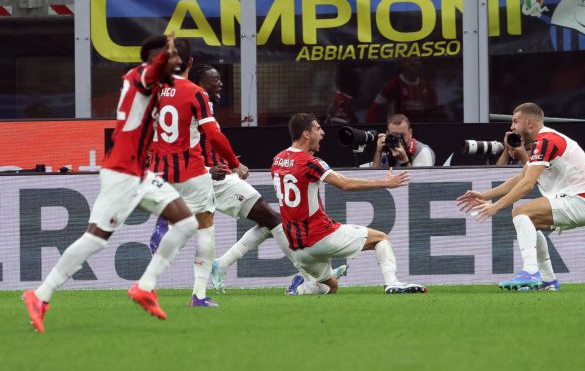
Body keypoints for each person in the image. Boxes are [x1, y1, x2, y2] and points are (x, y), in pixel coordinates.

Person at [21, 33, 200, 333]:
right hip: (122, 173)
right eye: (174, 61)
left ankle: (145, 286)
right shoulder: (143, 75)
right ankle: (40, 295)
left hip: (140, 174)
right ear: (160, 59)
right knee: (95, 239)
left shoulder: (152, 82)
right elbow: (153, 71)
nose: (179, 67)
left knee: (186, 223)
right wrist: (164, 57)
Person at [150, 65, 348, 294]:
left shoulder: (189, 103)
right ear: (201, 84)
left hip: (209, 176)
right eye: (215, 79)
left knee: (269, 220)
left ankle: (218, 264)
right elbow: (184, 145)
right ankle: (309, 277)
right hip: (209, 178)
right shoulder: (196, 101)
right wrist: (218, 166)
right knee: (273, 221)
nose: (220, 83)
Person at [272, 113, 427, 295]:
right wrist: (386, 183)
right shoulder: (311, 162)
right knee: (381, 238)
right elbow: (345, 184)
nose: (322, 133)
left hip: (298, 249)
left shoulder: (278, 159)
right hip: (319, 236)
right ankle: (392, 283)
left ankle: (298, 290)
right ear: (306, 134)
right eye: (317, 129)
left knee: (332, 287)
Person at [456, 102, 585, 291]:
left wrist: (496, 206)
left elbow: (527, 185)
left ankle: (531, 272)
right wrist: (485, 195)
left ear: (530, 123)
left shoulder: (546, 141)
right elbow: (521, 177)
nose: (512, 127)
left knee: (521, 212)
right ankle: (548, 281)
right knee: (528, 221)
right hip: (580, 200)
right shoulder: (544, 141)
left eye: (515, 121)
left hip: (580, 200)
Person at [148, 44, 248, 307]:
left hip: (160, 171)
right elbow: (213, 135)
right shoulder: (196, 93)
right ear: (190, 62)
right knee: (206, 227)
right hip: (191, 170)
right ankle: (199, 295)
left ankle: (164, 225)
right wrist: (235, 162)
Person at [366, 60, 443, 124]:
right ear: (403, 63)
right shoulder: (393, 85)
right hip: (397, 131)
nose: (413, 62)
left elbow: (436, 111)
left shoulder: (427, 87)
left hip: (421, 130)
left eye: (416, 60)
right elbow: (375, 108)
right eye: (409, 60)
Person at [371, 114, 435, 168]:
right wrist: (378, 152)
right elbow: (373, 176)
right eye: (394, 135)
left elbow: (419, 181)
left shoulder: (422, 151)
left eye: (402, 135)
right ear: (387, 134)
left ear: (410, 133)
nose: (399, 139)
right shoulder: (386, 147)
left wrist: (404, 161)